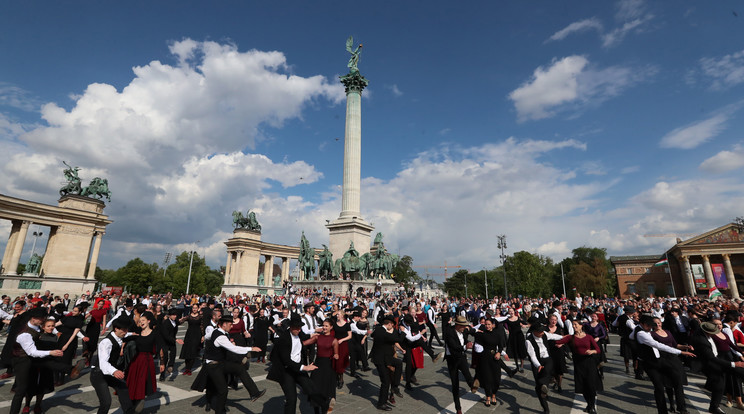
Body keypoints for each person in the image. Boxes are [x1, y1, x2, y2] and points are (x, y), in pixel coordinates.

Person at [267, 313, 334, 414]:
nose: (299, 330)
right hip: (286, 371)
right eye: (296, 328)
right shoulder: (284, 339)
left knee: (311, 389)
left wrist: (314, 335)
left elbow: (306, 335)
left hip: (298, 368)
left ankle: (325, 406)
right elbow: (286, 361)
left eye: (300, 328)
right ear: (291, 327)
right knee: (292, 399)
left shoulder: (299, 333)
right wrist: (305, 367)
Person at [633, 315, 695, 414]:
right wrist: (681, 352)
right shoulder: (642, 333)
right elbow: (659, 345)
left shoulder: (652, 331)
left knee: (676, 381)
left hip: (662, 361)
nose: (651, 328)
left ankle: (680, 407)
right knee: (659, 387)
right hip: (653, 362)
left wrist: (684, 347)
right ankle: (663, 411)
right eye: (649, 326)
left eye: (655, 324)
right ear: (642, 324)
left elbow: (630, 336)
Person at [8, 307, 64, 414]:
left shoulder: (38, 328)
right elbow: (32, 352)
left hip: (38, 361)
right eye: (41, 319)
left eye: (43, 318)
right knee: (22, 390)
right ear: (33, 318)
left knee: (41, 384)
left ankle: (37, 405)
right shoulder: (25, 333)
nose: (42, 320)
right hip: (24, 362)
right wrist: (50, 352)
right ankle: (20, 409)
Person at [554, 320, 603, 414]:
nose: (574, 326)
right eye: (573, 325)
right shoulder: (570, 337)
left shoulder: (588, 337)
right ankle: (589, 404)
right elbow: (557, 341)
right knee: (583, 386)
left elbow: (597, 349)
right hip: (578, 364)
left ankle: (592, 406)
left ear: (581, 326)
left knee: (591, 385)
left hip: (589, 362)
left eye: (576, 324)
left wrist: (592, 351)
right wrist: (558, 335)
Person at [90, 317, 135, 414]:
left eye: (127, 329)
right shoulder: (106, 342)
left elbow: (128, 335)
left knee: (123, 389)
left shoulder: (119, 336)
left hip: (110, 373)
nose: (126, 332)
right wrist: (114, 371)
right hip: (98, 374)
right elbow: (103, 363)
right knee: (106, 402)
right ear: (116, 329)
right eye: (124, 330)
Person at [525, 323, 565, 414]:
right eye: (540, 332)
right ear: (534, 332)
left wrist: (564, 337)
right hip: (537, 362)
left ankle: (546, 383)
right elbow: (532, 356)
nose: (542, 333)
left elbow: (554, 336)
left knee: (547, 369)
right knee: (539, 387)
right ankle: (545, 407)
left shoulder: (545, 334)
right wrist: (538, 365)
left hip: (547, 359)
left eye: (543, 331)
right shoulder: (529, 341)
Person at [124, 312, 161, 411]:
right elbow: (125, 337)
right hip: (136, 360)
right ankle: (132, 404)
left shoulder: (154, 333)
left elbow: (161, 348)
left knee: (142, 382)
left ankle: (139, 401)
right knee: (133, 382)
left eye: (143, 320)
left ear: (148, 321)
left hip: (147, 361)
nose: (141, 323)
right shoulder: (137, 332)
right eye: (140, 321)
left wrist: (162, 363)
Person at [443, 316, 480, 414]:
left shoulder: (463, 331)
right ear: (458, 325)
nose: (464, 328)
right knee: (455, 384)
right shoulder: (449, 332)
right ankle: (458, 408)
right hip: (452, 360)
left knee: (467, 374)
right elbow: (453, 347)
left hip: (461, 357)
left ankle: (472, 386)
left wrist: (468, 342)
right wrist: (465, 346)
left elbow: (465, 338)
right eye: (463, 326)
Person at [303, 319, 340, 412]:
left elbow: (336, 353)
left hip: (328, 366)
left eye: (326, 326)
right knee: (315, 389)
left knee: (325, 390)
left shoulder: (334, 340)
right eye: (323, 325)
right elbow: (304, 343)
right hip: (318, 365)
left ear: (331, 327)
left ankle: (325, 410)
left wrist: (336, 356)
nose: (324, 327)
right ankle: (316, 410)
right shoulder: (317, 337)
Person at [369, 315, 404, 411]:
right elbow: (398, 339)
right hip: (381, 359)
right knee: (385, 381)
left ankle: (395, 387)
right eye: (391, 326)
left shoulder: (379, 330)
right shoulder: (383, 332)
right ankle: (382, 403)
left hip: (384, 357)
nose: (392, 328)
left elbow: (372, 335)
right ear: (389, 324)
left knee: (398, 363)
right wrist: (403, 332)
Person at [474, 317, 508, 407]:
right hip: (485, 358)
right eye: (486, 324)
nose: (487, 326)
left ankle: (494, 394)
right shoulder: (482, 334)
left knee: (496, 378)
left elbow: (501, 346)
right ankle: (488, 396)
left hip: (495, 358)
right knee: (487, 378)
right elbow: (471, 332)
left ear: (493, 325)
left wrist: (499, 353)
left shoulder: (497, 334)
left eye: (489, 324)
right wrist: (475, 330)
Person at [159, 308, 184, 380]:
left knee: (173, 355)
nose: (174, 316)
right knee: (165, 358)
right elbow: (166, 336)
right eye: (173, 315)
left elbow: (179, 322)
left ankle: (170, 367)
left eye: (175, 315)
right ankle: (162, 374)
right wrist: (176, 340)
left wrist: (184, 318)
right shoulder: (165, 323)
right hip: (165, 342)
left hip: (172, 341)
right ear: (169, 315)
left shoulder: (175, 321)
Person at [179, 304, 202, 375]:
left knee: (193, 352)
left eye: (196, 308)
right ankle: (186, 368)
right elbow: (180, 321)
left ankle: (189, 369)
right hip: (189, 335)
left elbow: (202, 326)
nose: (194, 309)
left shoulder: (201, 316)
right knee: (187, 352)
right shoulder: (188, 316)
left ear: (198, 309)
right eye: (193, 308)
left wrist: (203, 336)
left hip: (197, 335)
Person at [83, 299, 107, 365]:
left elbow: (104, 321)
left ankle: (89, 358)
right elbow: (86, 317)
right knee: (86, 339)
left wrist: (104, 329)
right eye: (99, 304)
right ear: (97, 304)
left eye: (102, 304)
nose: (100, 305)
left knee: (94, 342)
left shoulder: (104, 311)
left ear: (103, 305)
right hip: (90, 326)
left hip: (96, 327)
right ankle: (86, 354)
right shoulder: (93, 310)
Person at [505, 308, 529, 372]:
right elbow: (502, 323)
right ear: (508, 312)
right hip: (512, 337)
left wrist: (524, 326)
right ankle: (517, 366)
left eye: (512, 311)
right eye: (510, 311)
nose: (511, 312)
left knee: (521, 350)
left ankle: (522, 365)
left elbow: (526, 323)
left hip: (519, 336)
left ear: (514, 311)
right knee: (514, 350)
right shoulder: (507, 320)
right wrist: (507, 329)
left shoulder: (518, 318)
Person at [333, 311, 352, 389]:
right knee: (335, 361)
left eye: (338, 314)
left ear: (342, 316)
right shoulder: (335, 324)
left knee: (341, 362)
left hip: (343, 345)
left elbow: (350, 336)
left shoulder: (347, 325)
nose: (337, 315)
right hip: (336, 344)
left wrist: (342, 340)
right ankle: (336, 377)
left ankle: (341, 379)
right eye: (337, 314)